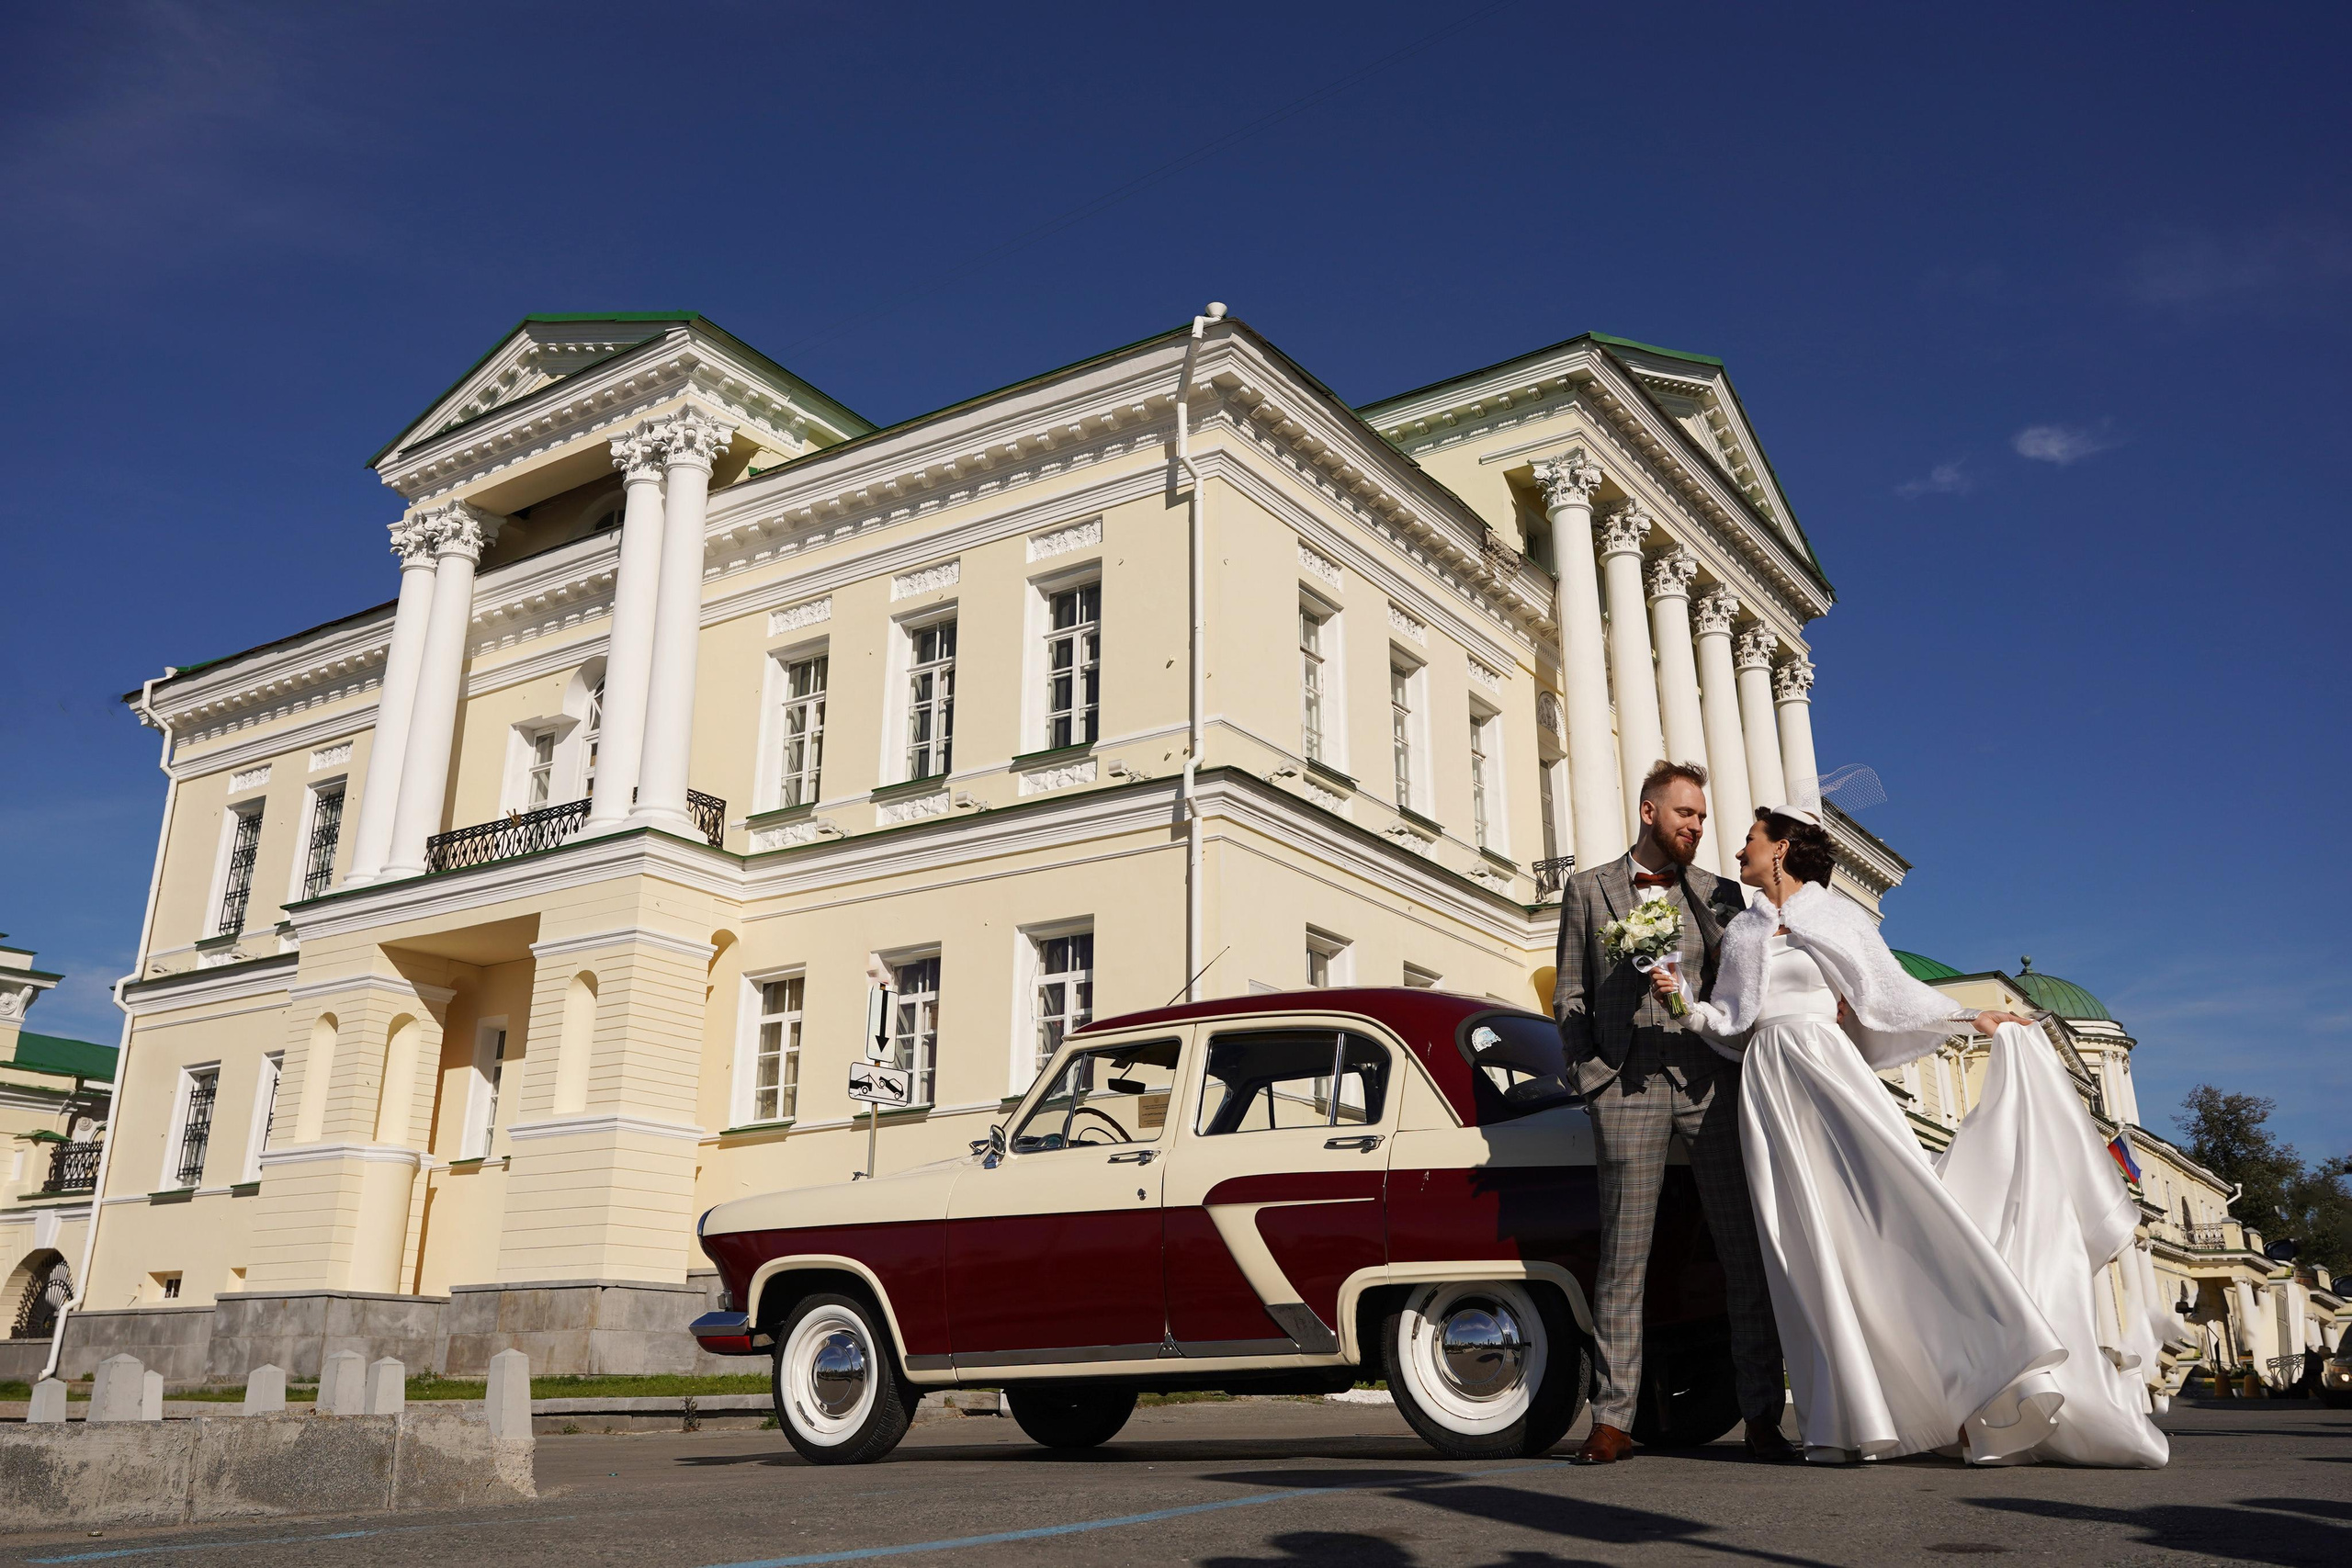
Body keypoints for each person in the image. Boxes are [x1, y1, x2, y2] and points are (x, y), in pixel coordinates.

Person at [1661, 803, 2169, 1467]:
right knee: (1803, 1245)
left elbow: (1892, 993)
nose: (1738, 853)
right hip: (1768, 1085)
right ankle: (1848, 1416)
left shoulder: (1834, 914)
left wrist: (1968, 1016)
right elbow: (1730, 1021)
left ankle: (1978, 1370)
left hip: (1828, 1070)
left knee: (1898, 1212)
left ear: (1781, 847)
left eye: (1750, 840)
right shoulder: (1746, 931)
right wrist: (1682, 1002)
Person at [1552, 761, 1790, 1464]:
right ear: (1650, 812)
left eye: (1704, 818)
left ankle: (1762, 1415)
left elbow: (1749, 981)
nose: (1697, 826)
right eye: (1686, 814)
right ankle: (1613, 1418)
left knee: (1741, 1251)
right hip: (1625, 1088)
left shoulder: (1718, 894)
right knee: (1624, 1258)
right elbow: (1570, 996)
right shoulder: (1588, 889)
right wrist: (1592, 1078)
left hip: (1708, 1084)